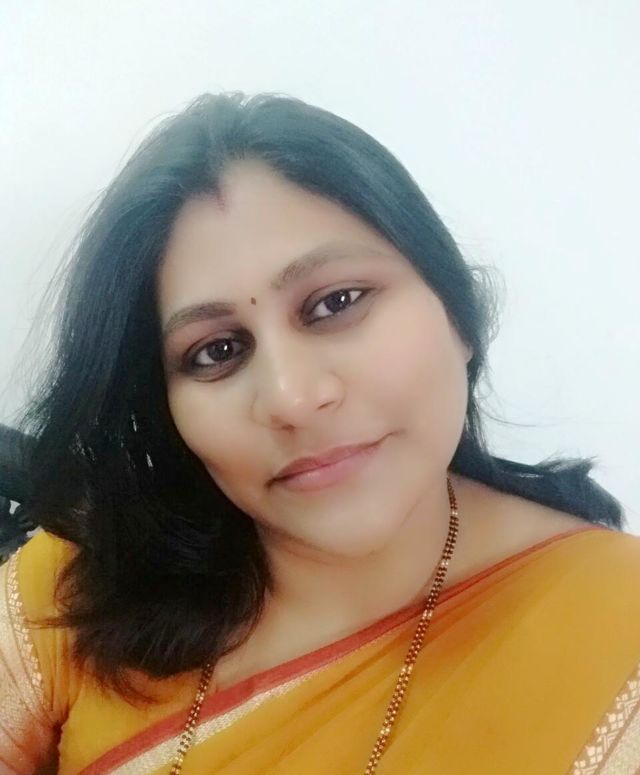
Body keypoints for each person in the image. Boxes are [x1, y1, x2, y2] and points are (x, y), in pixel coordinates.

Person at [1, 92, 638, 775]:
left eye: (337, 302)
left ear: (458, 312)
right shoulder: (85, 581)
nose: (292, 398)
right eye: (216, 351)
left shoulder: (615, 634)